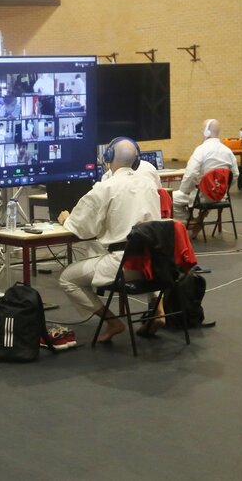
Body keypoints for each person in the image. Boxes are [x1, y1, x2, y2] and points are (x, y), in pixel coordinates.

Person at [58, 139, 160, 342]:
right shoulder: (149, 185)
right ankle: (158, 309)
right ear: (136, 160)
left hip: (123, 265)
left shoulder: (104, 188)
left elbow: (81, 228)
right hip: (155, 265)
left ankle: (113, 322)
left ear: (108, 157)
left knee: (67, 279)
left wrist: (66, 219)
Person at [172, 119, 239, 219]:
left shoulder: (201, 150)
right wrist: (223, 189)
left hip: (202, 197)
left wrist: (185, 190)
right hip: (221, 197)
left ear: (206, 132)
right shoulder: (228, 151)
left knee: (170, 198)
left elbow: (191, 173)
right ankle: (199, 220)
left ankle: (191, 221)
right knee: (201, 196)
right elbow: (235, 174)